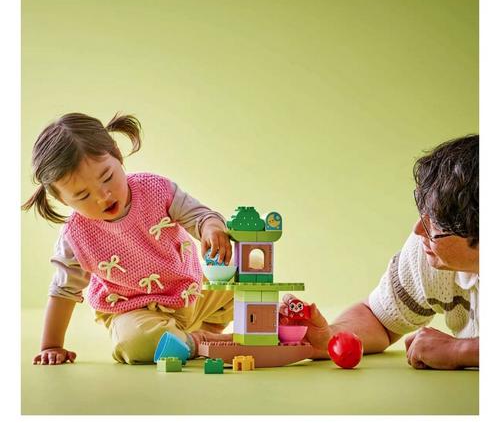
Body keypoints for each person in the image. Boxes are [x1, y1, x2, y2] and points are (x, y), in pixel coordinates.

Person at [23, 112, 234, 365]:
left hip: (191, 293)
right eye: (82, 195)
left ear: (117, 156)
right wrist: (52, 345)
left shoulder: (156, 190)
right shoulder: (76, 236)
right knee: (135, 343)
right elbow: (63, 291)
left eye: (107, 177)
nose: (103, 196)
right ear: (63, 199)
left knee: (247, 277)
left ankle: (203, 331)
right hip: (133, 312)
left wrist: (211, 228)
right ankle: (197, 342)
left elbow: (199, 216)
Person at [283, 135, 479, 370]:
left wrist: (460, 350)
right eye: (424, 211)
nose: (418, 230)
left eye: (436, 223)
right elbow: (379, 319)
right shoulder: (428, 254)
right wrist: (329, 338)